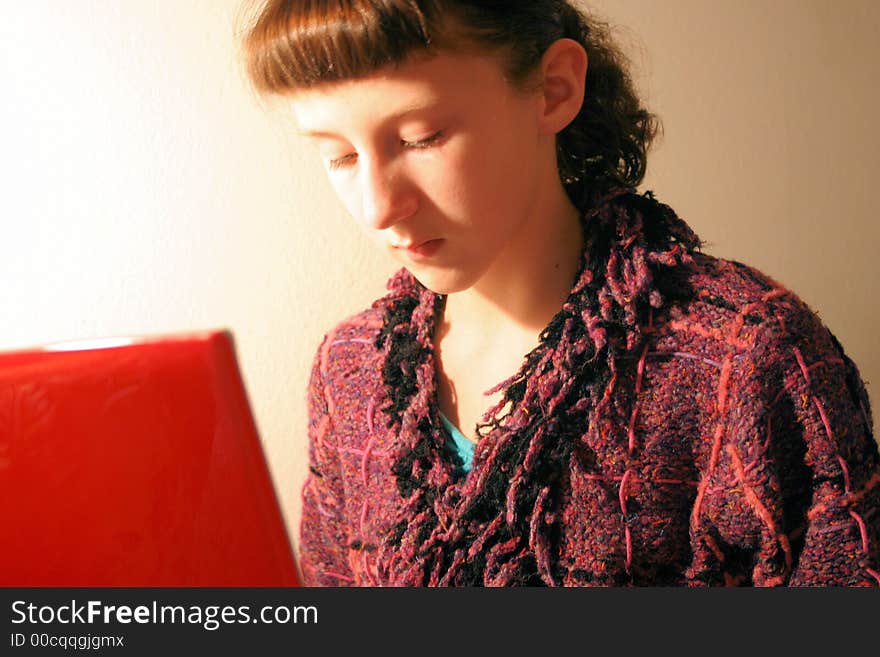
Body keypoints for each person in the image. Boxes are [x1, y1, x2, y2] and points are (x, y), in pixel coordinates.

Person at [241, 0, 879, 586]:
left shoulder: (744, 359)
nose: (378, 207)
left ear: (554, 90)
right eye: (339, 157)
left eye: (420, 138)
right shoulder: (348, 369)